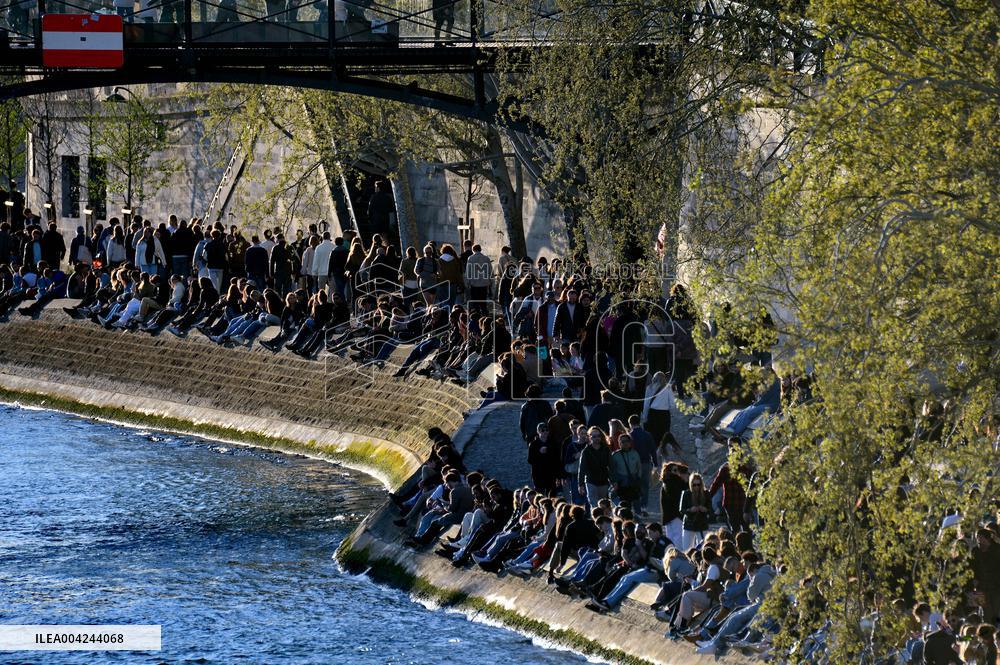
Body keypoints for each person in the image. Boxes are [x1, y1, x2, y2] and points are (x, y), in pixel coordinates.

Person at [578, 427, 612, 509]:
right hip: (590, 481)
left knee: (604, 506)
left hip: (603, 481)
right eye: (594, 436)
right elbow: (582, 469)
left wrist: (614, 481)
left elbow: (611, 466)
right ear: (589, 437)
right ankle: (596, 521)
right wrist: (580, 484)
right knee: (594, 506)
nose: (596, 438)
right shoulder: (586, 451)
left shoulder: (606, 449)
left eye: (598, 436)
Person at [679, 472, 712, 550]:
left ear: (701, 484)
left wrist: (705, 509)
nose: (696, 487)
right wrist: (690, 510)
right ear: (691, 484)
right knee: (687, 548)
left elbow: (710, 509)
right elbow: (681, 509)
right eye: (694, 485)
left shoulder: (706, 493)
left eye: (698, 484)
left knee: (703, 548)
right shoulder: (686, 493)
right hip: (689, 524)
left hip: (702, 524)